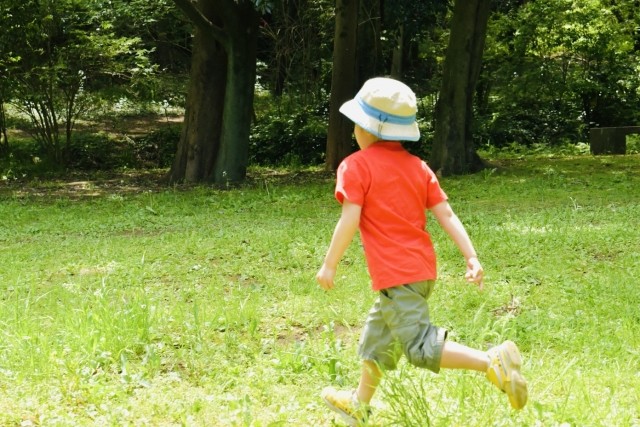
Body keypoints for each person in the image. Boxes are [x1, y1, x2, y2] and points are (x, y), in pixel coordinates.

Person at [316, 77, 528, 426]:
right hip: (420, 272)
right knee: (378, 340)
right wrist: (471, 256)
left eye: (357, 122)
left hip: (397, 276)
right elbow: (446, 213)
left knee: (418, 345)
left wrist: (329, 264)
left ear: (369, 128)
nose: (354, 129)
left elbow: (350, 219)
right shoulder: (419, 168)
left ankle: (490, 361)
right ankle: (359, 402)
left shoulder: (356, 165)